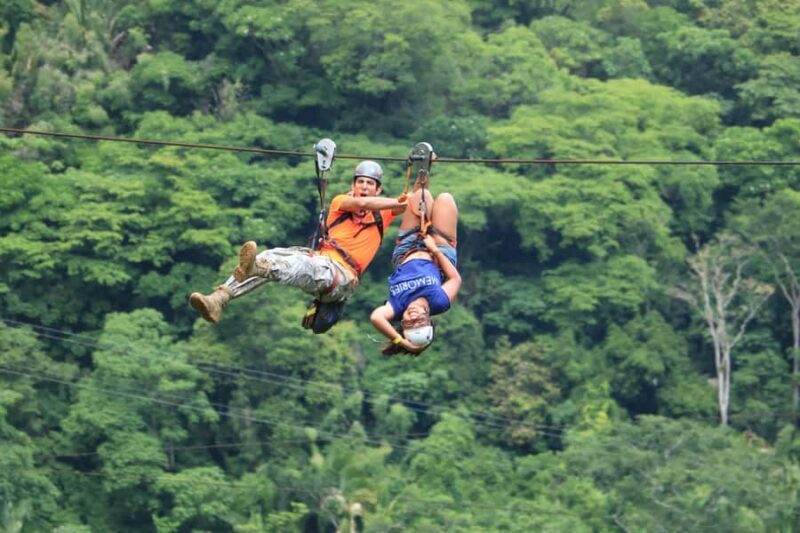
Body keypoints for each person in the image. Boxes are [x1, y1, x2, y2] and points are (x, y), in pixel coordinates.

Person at [189, 161, 406, 324]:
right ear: (353, 186)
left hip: (342, 275)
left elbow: (413, 200)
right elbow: (361, 202)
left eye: (370, 184)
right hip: (322, 260)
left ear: (378, 190)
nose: (365, 187)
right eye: (361, 182)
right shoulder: (342, 202)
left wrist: (422, 169)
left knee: (305, 266)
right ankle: (218, 299)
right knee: (270, 254)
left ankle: (258, 268)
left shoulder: (382, 214)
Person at [369, 184, 461, 355]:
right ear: (428, 318)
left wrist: (401, 341)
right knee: (445, 198)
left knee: (421, 194)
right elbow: (455, 279)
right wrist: (434, 249)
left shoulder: (396, 307)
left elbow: (376, 317)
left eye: (409, 324)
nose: (412, 317)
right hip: (440, 250)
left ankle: (423, 164)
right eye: (419, 321)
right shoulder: (438, 303)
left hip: (407, 249)